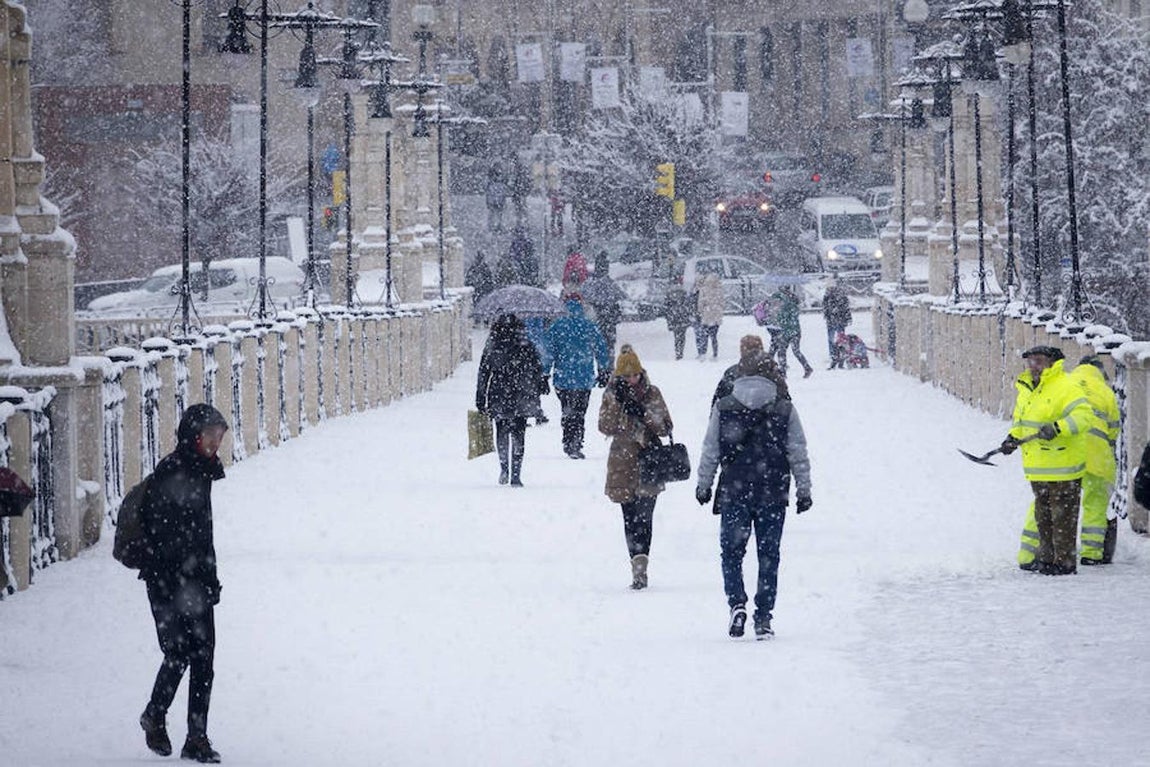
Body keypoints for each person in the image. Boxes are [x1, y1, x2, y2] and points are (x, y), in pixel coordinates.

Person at [695, 351, 812, 639]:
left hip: (735, 488)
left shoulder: (724, 406)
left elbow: (710, 448)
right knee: (768, 554)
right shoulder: (784, 408)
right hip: (773, 488)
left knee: (732, 553)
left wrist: (704, 484)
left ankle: (737, 602)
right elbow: (798, 450)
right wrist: (804, 489)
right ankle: (764, 616)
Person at [138, 404, 229, 764]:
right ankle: (155, 715)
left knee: (203, 659)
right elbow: (168, 535)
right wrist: (185, 576)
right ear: (194, 437)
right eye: (210, 436)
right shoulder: (173, 472)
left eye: (219, 436)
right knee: (178, 653)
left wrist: (208, 578)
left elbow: (202, 536)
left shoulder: (202, 470)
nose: (215, 443)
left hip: (195, 580)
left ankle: (196, 737)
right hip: (167, 582)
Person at [1016, 355, 1120, 567]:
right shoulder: (1106, 391)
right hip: (1098, 456)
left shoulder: (1066, 384)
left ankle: (1029, 553)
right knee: (1095, 503)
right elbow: (1114, 430)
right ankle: (1092, 553)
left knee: (1044, 502)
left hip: (1068, 452)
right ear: (1100, 372)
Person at [1000, 346, 1092, 575]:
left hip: (1064, 467)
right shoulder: (1027, 388)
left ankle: (1064, 563)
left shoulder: (1066, 385)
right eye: (1030, 362)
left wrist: (1058, 427)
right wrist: (1013, 438)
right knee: (1044, 518)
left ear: (1052, 363)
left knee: (1063, 519)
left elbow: (1084, 416)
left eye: (1038, 361)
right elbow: (1022, 421)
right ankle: (1047, 560)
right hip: (1038, 468)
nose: (1033, 366)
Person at [598, 345, 673, 590]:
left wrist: (643, 412)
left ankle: (641, 568)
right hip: (621, 462)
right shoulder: (611, 394)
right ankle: (635, 565)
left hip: (649, 460)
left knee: (644, 517)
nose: (632, 380)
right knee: (629, 518)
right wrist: (620, 406)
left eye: (635, 375)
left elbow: (665, 427)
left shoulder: (652, 393)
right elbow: (604, 426)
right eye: (627, 376)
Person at [476, 313, 545, 487]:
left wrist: (480, 397)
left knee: (502, 430)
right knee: (519, 433)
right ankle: (516, 473)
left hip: (499, 392)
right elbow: (536, 367)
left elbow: (484, 371)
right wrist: (538, 385)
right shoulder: (525, 343)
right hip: (521, 392)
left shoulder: (493, 343)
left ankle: (504, 468)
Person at [544, 297, 611, 459]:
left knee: (567, 410)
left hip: (563, 378)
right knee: (580, 412)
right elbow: (601, 348)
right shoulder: (588, 326)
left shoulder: (557, 326)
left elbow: (548, 353)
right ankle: (576, 441)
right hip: (584, 377)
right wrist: (603, 369)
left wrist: (544, 373)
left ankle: (568, 439)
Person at [712, 335, 790, 407]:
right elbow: (785, 400)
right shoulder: (773, 371)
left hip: (734, 416)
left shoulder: (732, 373)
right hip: (771, 416)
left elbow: (718, 399)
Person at [584, 251, 623, 356]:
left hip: (597, 316)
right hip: (609, 317)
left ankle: (601, 360)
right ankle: (608, 364)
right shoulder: (610, 283)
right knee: (609, 343)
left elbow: (586, 297)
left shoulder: (590, 284)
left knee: (598, 342)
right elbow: (620, 295)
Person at [769, 287, 813, 378]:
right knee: (783, 351)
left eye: (777, 301)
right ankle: (784, 371)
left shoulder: (789, 307)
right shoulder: (784, 307)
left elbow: (788, 321)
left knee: (793, 351)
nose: (775, 303)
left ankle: (806, 368)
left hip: (792, 332)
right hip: (789, 332)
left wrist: (779, 321)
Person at [822, 276, 852, 367]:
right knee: (839, 339)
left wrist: (828, 316)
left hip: (834, 320)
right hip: (837, 320)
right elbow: (846, 308)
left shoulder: (828, 296)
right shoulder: (840, 296)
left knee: (833, 339)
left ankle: (835, 356)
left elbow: (826, 308)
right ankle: (838, 355)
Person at [695, 271, 724, 360]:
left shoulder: (703, 289)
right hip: (716, 314)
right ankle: (715, 354)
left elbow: (700, 303)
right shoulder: (720, 289)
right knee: (714, 336)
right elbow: (723, 303)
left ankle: (703, 353)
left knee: (705, 335)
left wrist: (700, 311)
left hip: (706, 314)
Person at [664, 283, 695, 360]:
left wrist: (668, 318)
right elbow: (688, 306)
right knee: (682, 336)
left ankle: (678, 351)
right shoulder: (684, 294)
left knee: (676, 336)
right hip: (682, 318)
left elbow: (666, 307)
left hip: (674, 318)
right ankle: (680, 351)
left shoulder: (669, 294)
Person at [485, 164, 508, 232]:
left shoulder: (493, 182)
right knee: (495, 212)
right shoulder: (494, 182)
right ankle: (494, 225)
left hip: (497, 197)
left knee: (497, 213)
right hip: (495, 197)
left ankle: (496, 225)